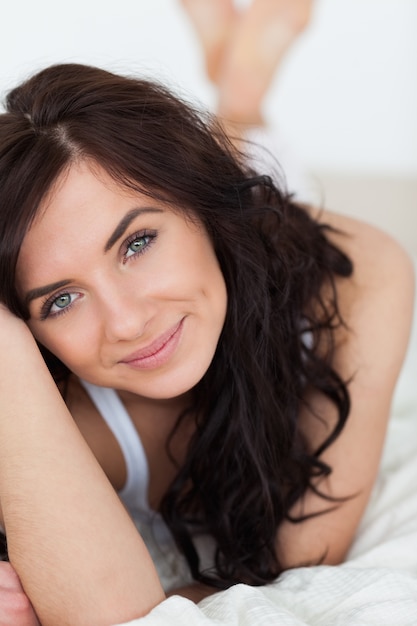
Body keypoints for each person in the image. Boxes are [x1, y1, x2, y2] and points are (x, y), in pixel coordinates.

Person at [0, 6, 414, 626]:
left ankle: (241, 99)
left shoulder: (366, 276)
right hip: (220, 246)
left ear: (196, 204)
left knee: (258, 188)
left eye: (136, 245)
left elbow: (304, 552)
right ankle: (239, 89)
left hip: (269, 257)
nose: (126, 322)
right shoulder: (71, 406)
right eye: (60, 299)